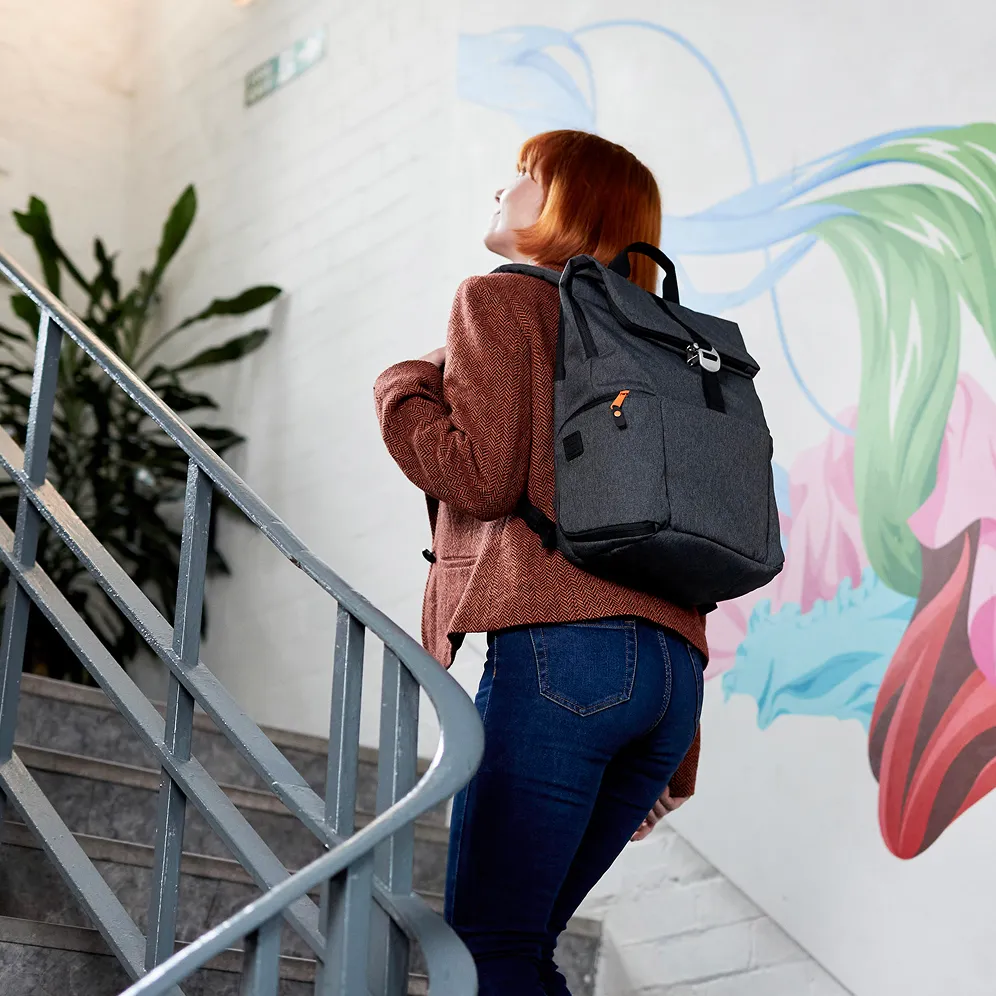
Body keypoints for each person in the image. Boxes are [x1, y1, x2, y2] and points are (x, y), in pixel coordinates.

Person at [373, 129, 707, 996]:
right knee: (525, 948)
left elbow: (480, 479)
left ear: (570, 207)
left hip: (563, 658)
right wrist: (678, 751)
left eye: (526, 176)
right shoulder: (664, 344)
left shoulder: (501, 301)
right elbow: (683, 534)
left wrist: (403, 388)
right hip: (670, 682)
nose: (503, 186)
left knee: (490, 946)